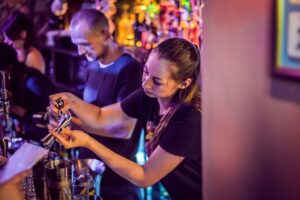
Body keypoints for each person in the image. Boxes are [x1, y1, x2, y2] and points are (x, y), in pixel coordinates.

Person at [49, 38, 202, 200]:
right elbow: (100, 116)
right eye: (146, 71)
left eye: (157, 81)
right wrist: (70, 100)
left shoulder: (188, 120)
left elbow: (145, 176)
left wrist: (88, 142)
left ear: (184, 83)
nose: (146, 84)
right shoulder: (148, 98)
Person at [68, 9, 143, 200]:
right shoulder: (92, 66)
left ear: (106, 34)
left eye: (85, 44)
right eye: (77, 45)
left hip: (117, 181)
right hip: (89, 173)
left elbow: (123, 130)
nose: (80, 52)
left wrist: (72, 124)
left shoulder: (129, 68)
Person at [0, 43, 58, 140]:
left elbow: (53, 120)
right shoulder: (15, 82)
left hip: (49, 142)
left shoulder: (33, 82)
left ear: (8, 68)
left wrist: (22, 113)